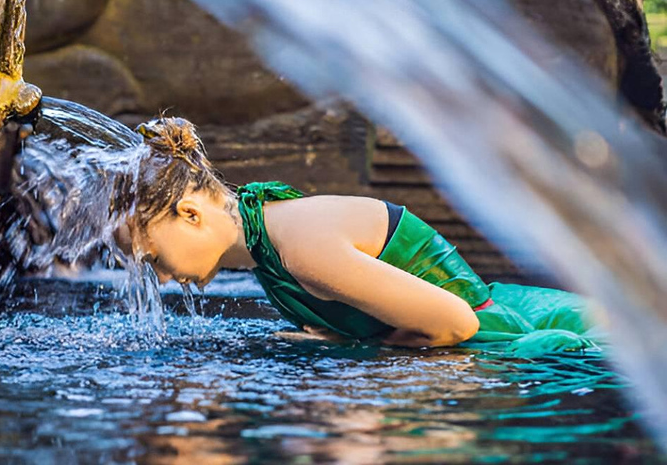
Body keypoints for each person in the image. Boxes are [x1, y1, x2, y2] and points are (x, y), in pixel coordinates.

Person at [115, 117, 603, 358]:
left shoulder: (302, 250)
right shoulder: (268, 237)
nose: (158, 276)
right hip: (487, 323)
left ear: (191, 213)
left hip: (500, 340)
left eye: (152, 257)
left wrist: (362, 359)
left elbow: (455, 324)